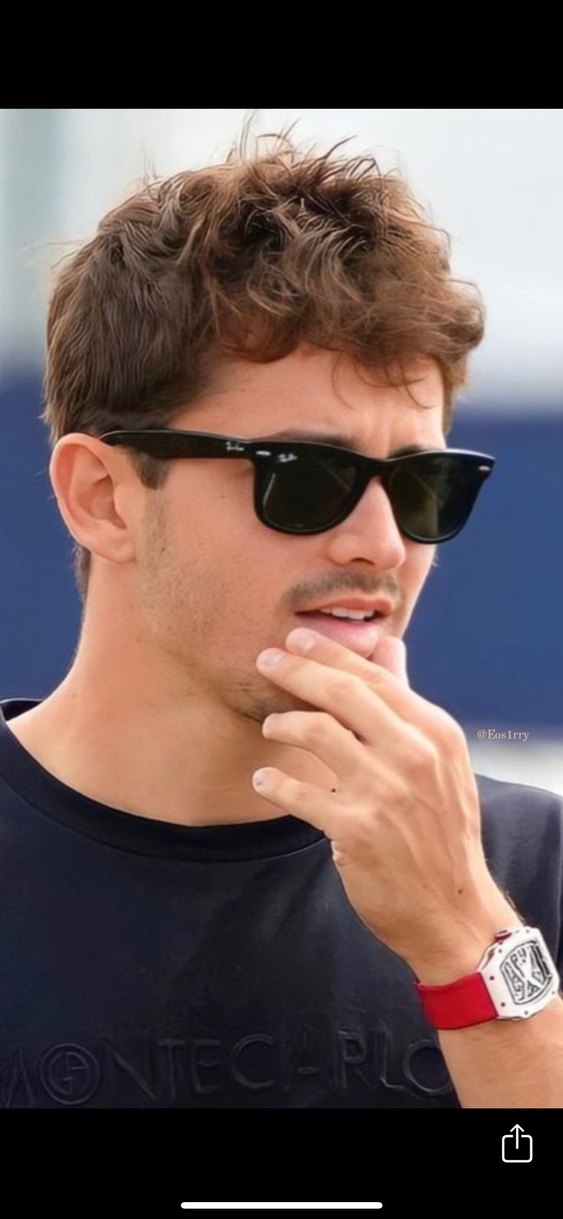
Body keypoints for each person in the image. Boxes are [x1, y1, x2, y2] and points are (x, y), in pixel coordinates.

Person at [1, 131, 562, 1111]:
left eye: (420, 484)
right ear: (102, 497)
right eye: (303, 476)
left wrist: (465, 939)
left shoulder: (526, 869)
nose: (381, 543)